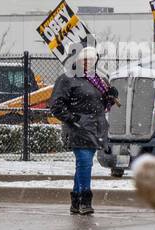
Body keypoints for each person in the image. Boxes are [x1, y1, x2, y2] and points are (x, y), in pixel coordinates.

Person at [49, 46, 118, 215]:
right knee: (85, 163)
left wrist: (109, 96)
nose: (88, 63)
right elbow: (56, 105)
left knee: (83, 165)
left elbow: (102, 106)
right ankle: (85, 201)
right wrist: (73, 119)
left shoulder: (98, 81)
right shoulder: (67, 79)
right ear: (77, 61)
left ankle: (75, 201)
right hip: (78, 129)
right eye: (85, 60)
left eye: (92, 60)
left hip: (95, 129)